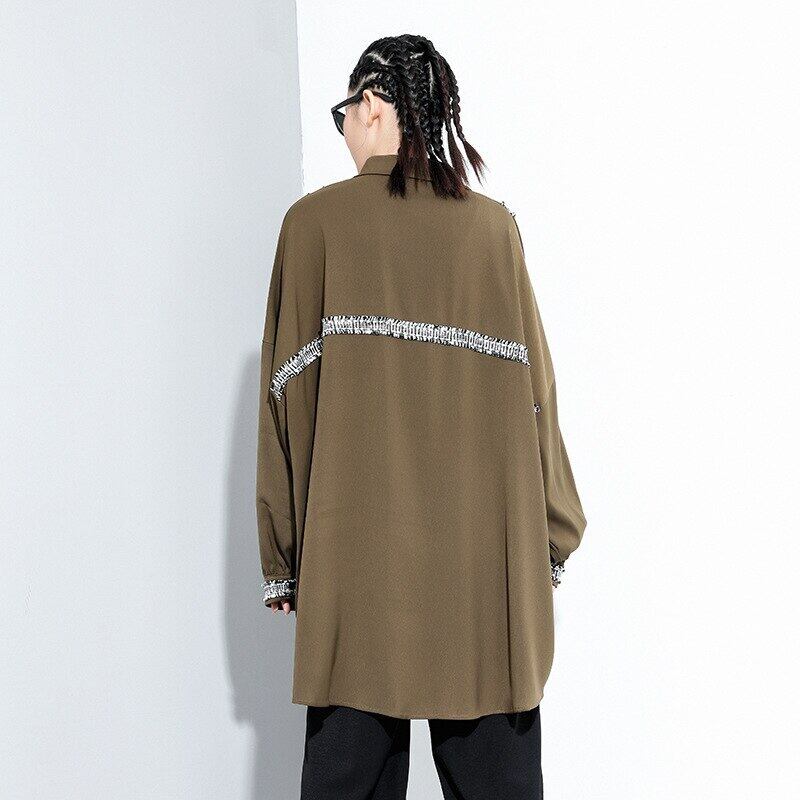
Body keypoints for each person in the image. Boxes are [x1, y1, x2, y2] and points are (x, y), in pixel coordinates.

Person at [256, 34, 587, 799]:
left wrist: (285, 555)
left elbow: (285, 400)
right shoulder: (492, 229)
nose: (344, 129)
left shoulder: (314, 224)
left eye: (345, 113)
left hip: (354, 574)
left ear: (372, 105)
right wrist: (553, 530)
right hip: (485, 578)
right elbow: (537, 395)